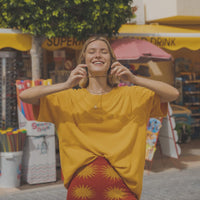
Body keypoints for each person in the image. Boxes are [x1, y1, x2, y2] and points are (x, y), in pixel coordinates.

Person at [19, 36, 179, 200]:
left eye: (104, 52)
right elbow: (25, 96)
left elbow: (172, 94)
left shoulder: (133, 95)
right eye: (92, 52)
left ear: (112, 61)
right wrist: (65, 84)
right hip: (81, 189)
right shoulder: (67, 97)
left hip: (123, 188)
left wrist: (134, 79)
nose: (97, 55)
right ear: (84, 60)